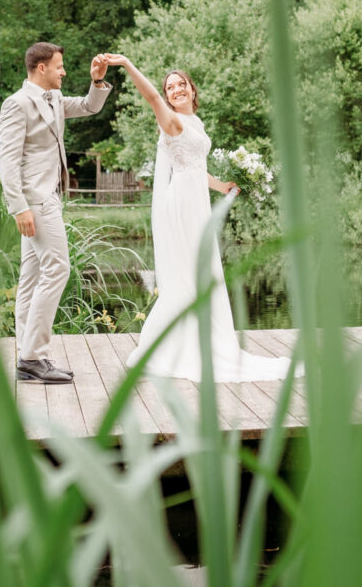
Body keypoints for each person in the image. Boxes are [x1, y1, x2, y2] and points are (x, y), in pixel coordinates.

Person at [101, 55, 298, 382]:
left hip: (196, 200)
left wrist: (223, 186)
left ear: (193, 90)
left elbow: (192, 166)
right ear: (166, 97)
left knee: (201, 269)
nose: (176, 89)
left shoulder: (195, 124)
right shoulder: (172, 122)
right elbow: (150, 97)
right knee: (189, 270)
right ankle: (182, 343)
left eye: (181, 84)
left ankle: (202, 336)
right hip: (182, 204)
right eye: (170, 88)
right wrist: (126, 64)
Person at [0, 42, 112, 383]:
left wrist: (97, 81)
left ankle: (27, 356)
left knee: (32, 280)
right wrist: (19, 207)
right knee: (58, 268)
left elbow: (90, 107)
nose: (64, 72)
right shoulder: (17, 104)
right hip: (35, 201)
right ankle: (34, 357)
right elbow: (7, 161)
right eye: (59, 66)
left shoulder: (55, 101)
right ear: (41, 67)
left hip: (49, 197)